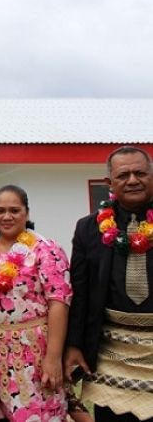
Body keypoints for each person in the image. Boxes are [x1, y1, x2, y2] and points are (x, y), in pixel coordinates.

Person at [65, 146, 153, 422]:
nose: (133, 180)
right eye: (124, 175)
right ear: (110, 183)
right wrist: (74, 345)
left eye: (141, 173)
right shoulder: (88, 228)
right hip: (111, 353)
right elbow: (78, 293)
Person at [0, 185, 71, 421]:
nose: (6, 217)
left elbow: (59, 301)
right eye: (0, 211)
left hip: (34, 351)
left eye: (14, 210)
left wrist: (53, 358)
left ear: (26, 213)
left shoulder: (45, 250)